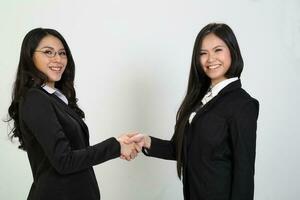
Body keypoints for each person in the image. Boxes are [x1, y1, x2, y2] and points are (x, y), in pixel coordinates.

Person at [7, 28, 141, 200]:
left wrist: (119, 143)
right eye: (48, 52)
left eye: (62, 53)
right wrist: (116, 146)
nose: (58, 59)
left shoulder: (56, 98)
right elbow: (64, 160)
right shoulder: (35, 99)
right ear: (30, 56)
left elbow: (76, 154)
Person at [129, 23, 259, 200]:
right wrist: (146, 141)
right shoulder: (200, 99)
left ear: (232, 52)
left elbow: (244, 171)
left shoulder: (242, 104)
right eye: (203, 53)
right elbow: (180, 149)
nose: (210, 59)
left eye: (218, 50)